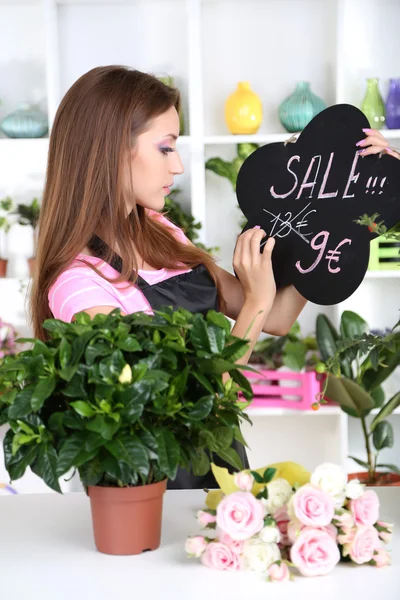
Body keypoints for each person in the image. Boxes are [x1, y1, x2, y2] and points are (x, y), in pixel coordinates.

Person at [29, 65, 395, 489]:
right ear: (109, 150)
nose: (179, 165)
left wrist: (349, 209)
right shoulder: (77, 284)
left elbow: (276, 317)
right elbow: (178, 412)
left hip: (220, 466)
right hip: (157, 489)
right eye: (165, 148)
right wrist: (255, 304)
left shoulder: (159, 231)